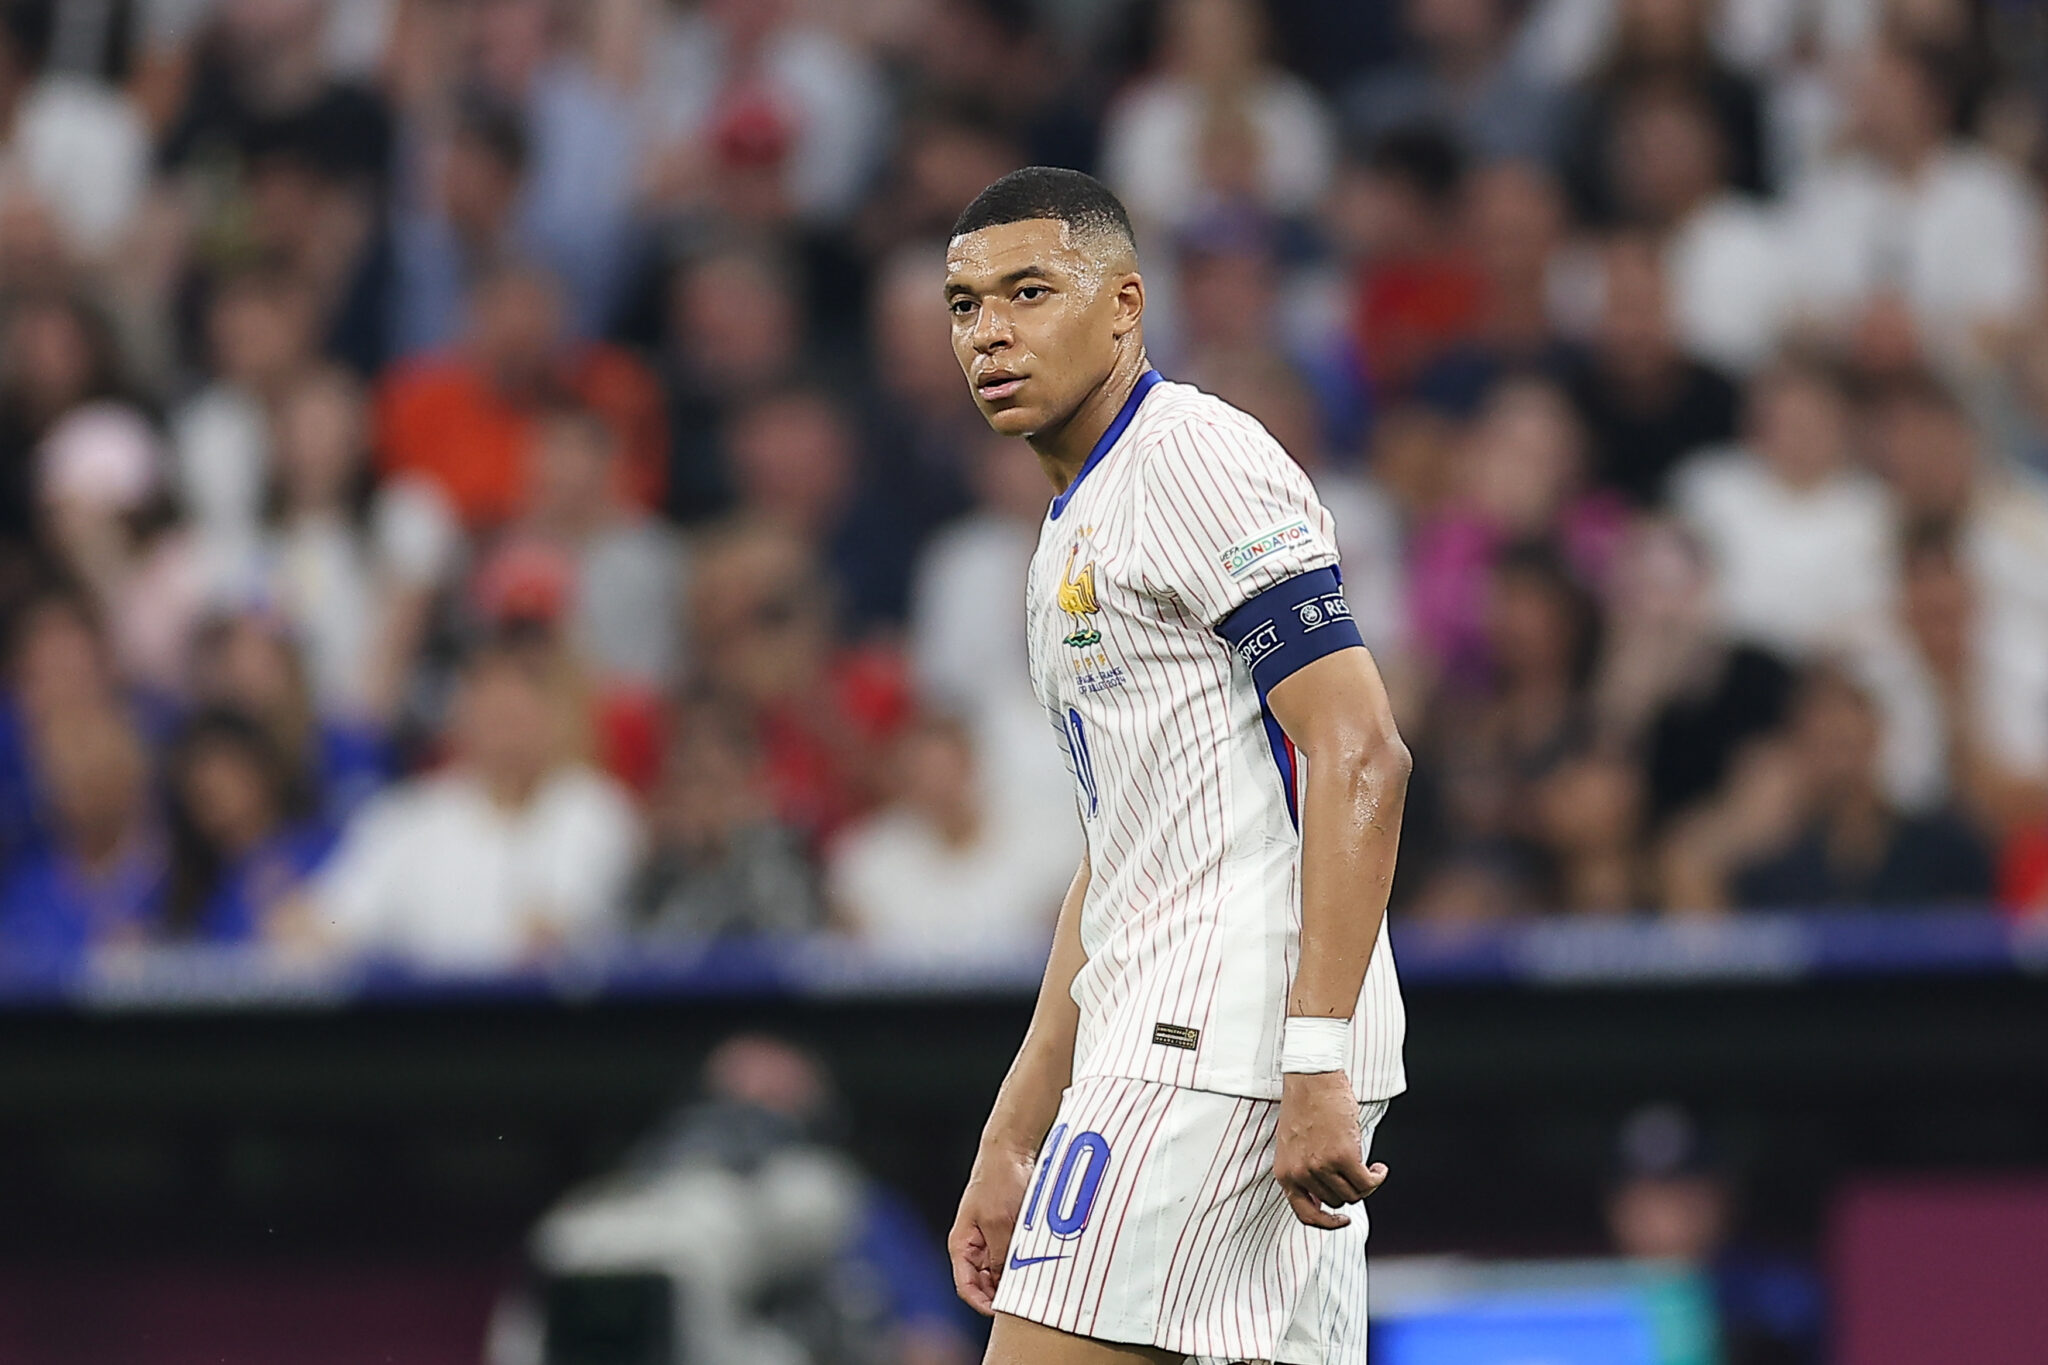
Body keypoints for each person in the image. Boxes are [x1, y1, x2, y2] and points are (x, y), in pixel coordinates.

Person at [940, 168, 1411, 1365]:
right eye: (963, 305)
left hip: (1212, 1048)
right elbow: (1121, 858)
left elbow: (1358, 748)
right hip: (1192, 1039)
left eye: (1028, 292)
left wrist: (1311, 1059)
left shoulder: (1194, 460)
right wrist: (1015, 1126)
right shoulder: (1068, 528)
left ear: (1124, 305)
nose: (989, 331)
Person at [297, 641, 640, 971]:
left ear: (554, 718)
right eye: (491, 708)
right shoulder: (406, 815)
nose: (504, 728)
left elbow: (554, 934)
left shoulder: (595, 810)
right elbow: (326, 924)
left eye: (518, 711)